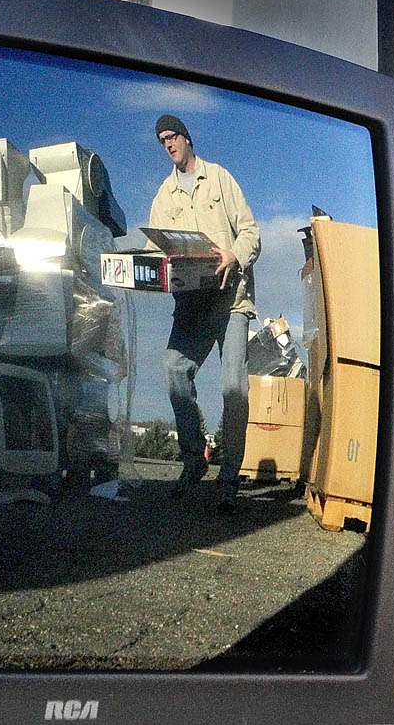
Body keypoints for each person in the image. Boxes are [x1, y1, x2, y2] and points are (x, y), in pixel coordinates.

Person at [149, 115, 260, 513]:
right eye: (161, 141)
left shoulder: (219, 179)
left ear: (187, 138)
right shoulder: (164, 195)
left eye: (172, 137)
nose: (167, 145)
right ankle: (194, 459)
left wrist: (234, 254)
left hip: (231, 302)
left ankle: (228, 479)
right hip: (192, 306)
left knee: (234, 389)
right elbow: (162, 251)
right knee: (173, 368)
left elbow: (250, 232)